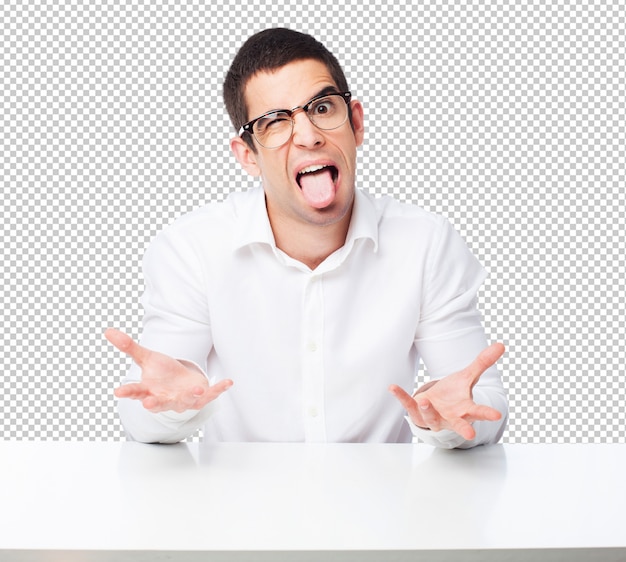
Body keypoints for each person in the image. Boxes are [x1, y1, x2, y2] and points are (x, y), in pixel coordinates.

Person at [105, 27, 508, 448]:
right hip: (238, 508)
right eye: (275, 121)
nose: (308, 134)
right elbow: (145, 409)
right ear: (247, 156)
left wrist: (445, 423)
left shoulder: (426, 244)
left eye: (322, 107)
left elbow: (481, 404)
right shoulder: (191, 249)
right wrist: (173, 409)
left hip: (383, 508)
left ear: (356, 122)